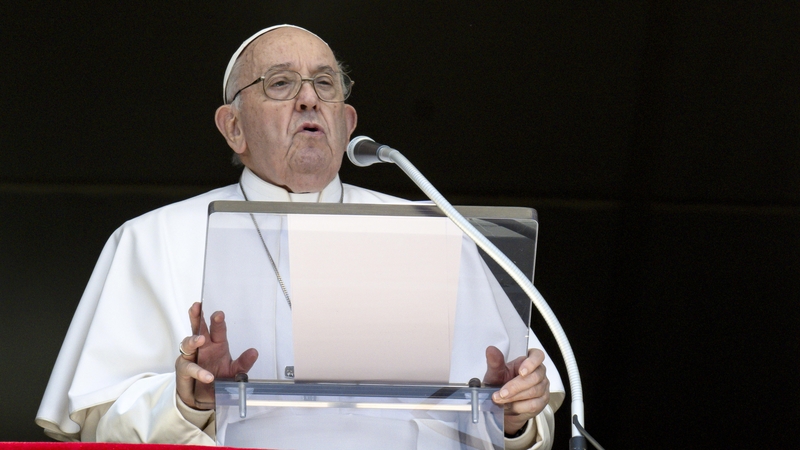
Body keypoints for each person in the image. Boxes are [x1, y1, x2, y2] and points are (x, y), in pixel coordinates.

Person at [36, 25, 564, 449]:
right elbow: (95, 423)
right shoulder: (151, 239)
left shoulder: (434, 232)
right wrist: (191, 400)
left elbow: (513, 414)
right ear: (233, 127)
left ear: (347, 119)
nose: (309, 100)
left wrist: (513, 410)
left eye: (326, 84)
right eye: (281, 83)